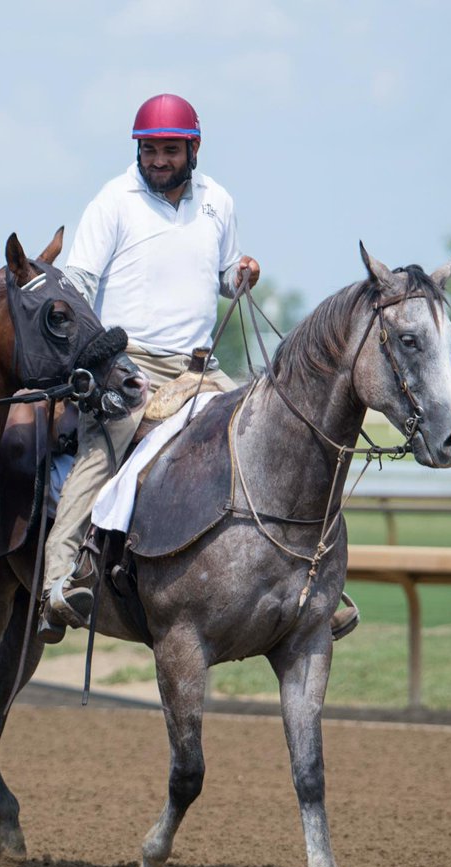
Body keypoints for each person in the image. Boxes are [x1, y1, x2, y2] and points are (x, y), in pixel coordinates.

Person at [38, 93, 260, 641]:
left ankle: (304, 583)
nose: (158, 160)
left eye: (169, 150)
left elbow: (227, 275)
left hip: (199, 368)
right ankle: (56, 583)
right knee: (98, 454)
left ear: (193, 148)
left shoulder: (218, 202)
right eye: (149, 149)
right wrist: (84, 360)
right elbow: (81, 284)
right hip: (128, 365)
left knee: (264, 436)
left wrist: (244, 273)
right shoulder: (113, 200)